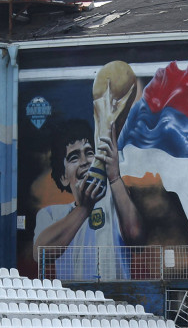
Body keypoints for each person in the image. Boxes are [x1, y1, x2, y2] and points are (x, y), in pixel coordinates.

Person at [33, 119, 143, 280]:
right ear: (63, 177)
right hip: (72, 303)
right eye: (74, 157)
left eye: (89, 153)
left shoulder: (115, 203)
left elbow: (137, 238)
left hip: (116, 299)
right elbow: (40, 254)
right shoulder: (50, 214)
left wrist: (114, 177)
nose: (85, 162)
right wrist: (83, 209)